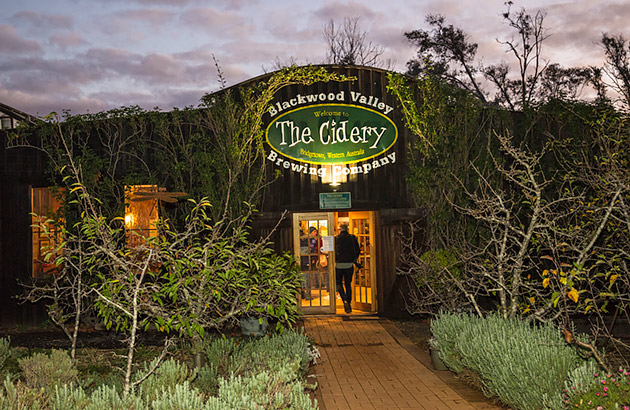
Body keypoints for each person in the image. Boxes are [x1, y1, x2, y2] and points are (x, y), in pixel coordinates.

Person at [335, 223, 361, 313]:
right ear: (347, 229)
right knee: (348, 284)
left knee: (338, 283)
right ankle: (348, 302)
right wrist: (353, 259)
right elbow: (357, 250)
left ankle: (344, 299)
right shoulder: (352, 238)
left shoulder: (336, 239)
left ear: (340, 230)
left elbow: (333, 251)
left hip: (338, 264)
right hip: (349, 264)